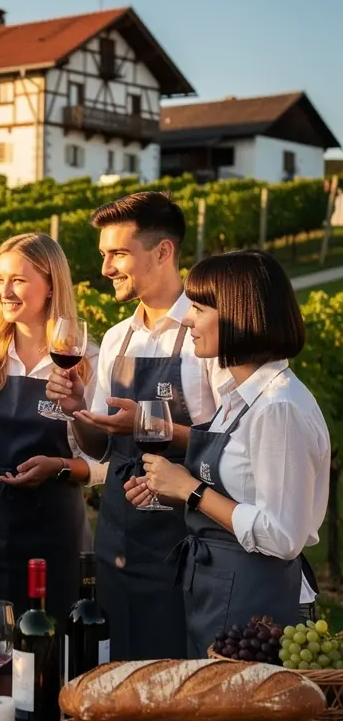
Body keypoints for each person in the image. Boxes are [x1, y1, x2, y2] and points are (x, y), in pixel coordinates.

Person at [46, 191, 224, 661]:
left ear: (163, 252)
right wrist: (77, 408)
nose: (105, 268)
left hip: (185, 543)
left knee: (176, 672)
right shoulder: (115, 336)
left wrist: (145, 421)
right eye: (104, 254)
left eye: (118, 253)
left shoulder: (206, 334)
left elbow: (231, 442)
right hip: (120, 538)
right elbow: (101, 447)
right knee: (120, 668)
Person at [125, 251, 329, 657]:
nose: (186, 319)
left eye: (198, 309)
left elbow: (282, 535)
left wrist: (191, 491)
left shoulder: (278, 408)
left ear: (239, 315)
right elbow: (240, 489)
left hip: (257, 604)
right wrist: (169, 487)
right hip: (218, 589)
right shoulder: (238, 398)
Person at [0, 233, 106, 691]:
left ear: (51, 285)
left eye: (18, 280)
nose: (4, 291)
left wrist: (60, 464)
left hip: (52, 528)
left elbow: (101, 457)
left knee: (50, 657)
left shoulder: (86, 359)